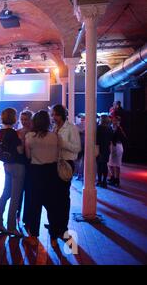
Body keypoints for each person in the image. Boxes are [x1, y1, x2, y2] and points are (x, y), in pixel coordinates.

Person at [24, 110, 59, 247]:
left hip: (36, 172)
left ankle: (33, 236)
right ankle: (54, 238)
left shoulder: (30, 137)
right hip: (51, 172)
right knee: (52, 205)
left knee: (35, 205)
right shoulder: (54, 137)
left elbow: (28, 156)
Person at [51, 104, 81, 243]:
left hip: (66, 164)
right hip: (55, 163)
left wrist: (61, 142)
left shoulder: (72, 128)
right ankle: (55, 224)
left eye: (55, 114)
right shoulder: (55, 127)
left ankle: (63, 228)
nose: (53, 117)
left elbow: (77, 148)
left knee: (63, 197)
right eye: (52, 115)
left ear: (61, 114)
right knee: (55, 197)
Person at [0, 108, 25, 237]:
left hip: (6, 165)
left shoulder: (1, 132)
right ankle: (11, 227)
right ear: (14, 118)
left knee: (5, 193)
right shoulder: (13, 133)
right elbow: (20, 151)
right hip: (17, 166)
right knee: (15, 197)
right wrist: (22, 141)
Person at [16, 110, 33, 226]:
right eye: (22, 119)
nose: (23, 121)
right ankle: (17, 212)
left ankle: (28, 217)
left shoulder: (35, 133)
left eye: (26, 119)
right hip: (21, 163)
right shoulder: (18, 132)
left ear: (31, 119)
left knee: (30, 191)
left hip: (32, 164)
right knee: (19, 190)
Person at [108, 116, 126, 187]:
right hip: (112, 147)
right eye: (113, 120)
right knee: (110, 164)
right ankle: (112, 177)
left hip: (117, 146)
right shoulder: (111, 127)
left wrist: (118, 129)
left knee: (117, 165)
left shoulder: (119, 129)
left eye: (116, 120)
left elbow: (123, 137)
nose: (114, 121)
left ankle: (117, 179)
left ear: (119, 121)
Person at [96, 115, 113, 188]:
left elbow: (96, 139)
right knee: (105, 165)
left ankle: (99, 181)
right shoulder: (110, 128)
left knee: (99, 165)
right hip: (106, 148)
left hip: (99, 148)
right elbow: (111, 139)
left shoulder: (98, 128)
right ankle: (104, 181)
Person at [75, 113, 85, 180]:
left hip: (80, 144)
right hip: (85, 144)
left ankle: (79, 174)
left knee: (79, 160)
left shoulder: (77, 125)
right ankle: (81, 174)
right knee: (82, 161)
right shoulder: (88, 125)